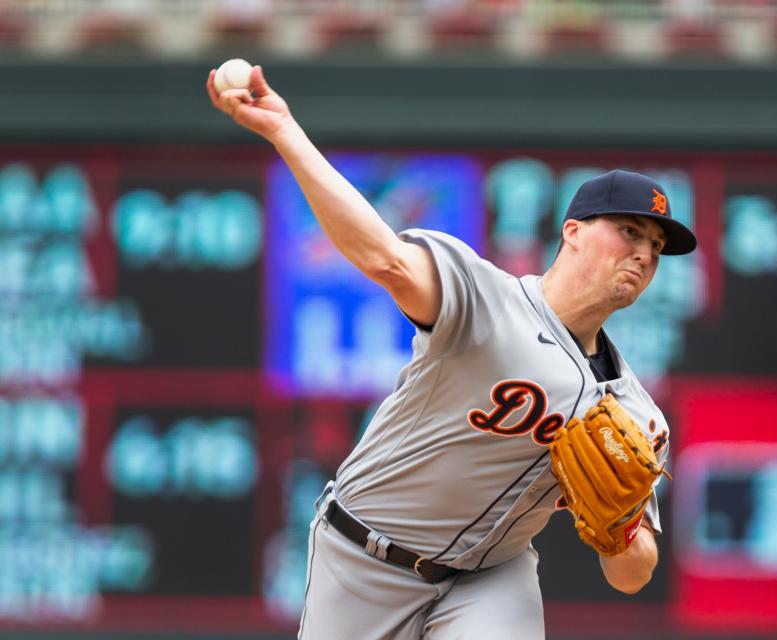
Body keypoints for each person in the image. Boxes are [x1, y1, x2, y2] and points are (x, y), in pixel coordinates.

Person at [207, 65, 697, 640]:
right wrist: (286, 132)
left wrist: (618, 531)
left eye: (657, 246)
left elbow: (632, 576)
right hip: (364, 553)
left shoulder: (639, 416)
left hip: (491, 575)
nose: (645, 253)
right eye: (630, 232)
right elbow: (383, 257)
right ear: (572, 232)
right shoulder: (483, 297)